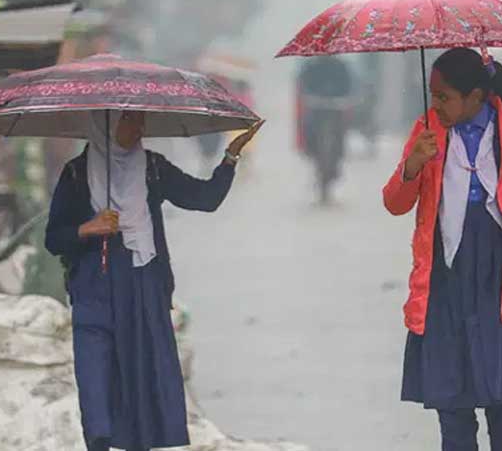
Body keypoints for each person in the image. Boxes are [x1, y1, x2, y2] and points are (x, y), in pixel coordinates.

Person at [45, 111, 262, 451]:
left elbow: (204, 198)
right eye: (130, 120)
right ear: (107, 126)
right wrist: (88, 228)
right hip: (93, 290)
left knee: (140, 379)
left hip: (142, 284)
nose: (140, 128)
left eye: (140, 120)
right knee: (94, 380)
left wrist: (231, 157)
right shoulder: (75, 174)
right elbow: (54, 239)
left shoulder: (152, 168)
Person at [383, 48, 502, 451]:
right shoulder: (427, 131)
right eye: (433, 96)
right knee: (452, 403)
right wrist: (412, 165)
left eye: (444, 97)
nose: (436, 104)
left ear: (475, 96)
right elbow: (395, 203)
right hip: (446, 281)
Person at [296, 56, 354, 204]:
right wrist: (309, 96)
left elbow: (349, 87)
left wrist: (344, 98)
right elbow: (304, 85)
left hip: (336, 109)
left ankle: (337, 160)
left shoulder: (341, 67)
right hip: (317, 109)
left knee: (339, 136)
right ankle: (313, 154)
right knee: (310, 133)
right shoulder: (311, 66)